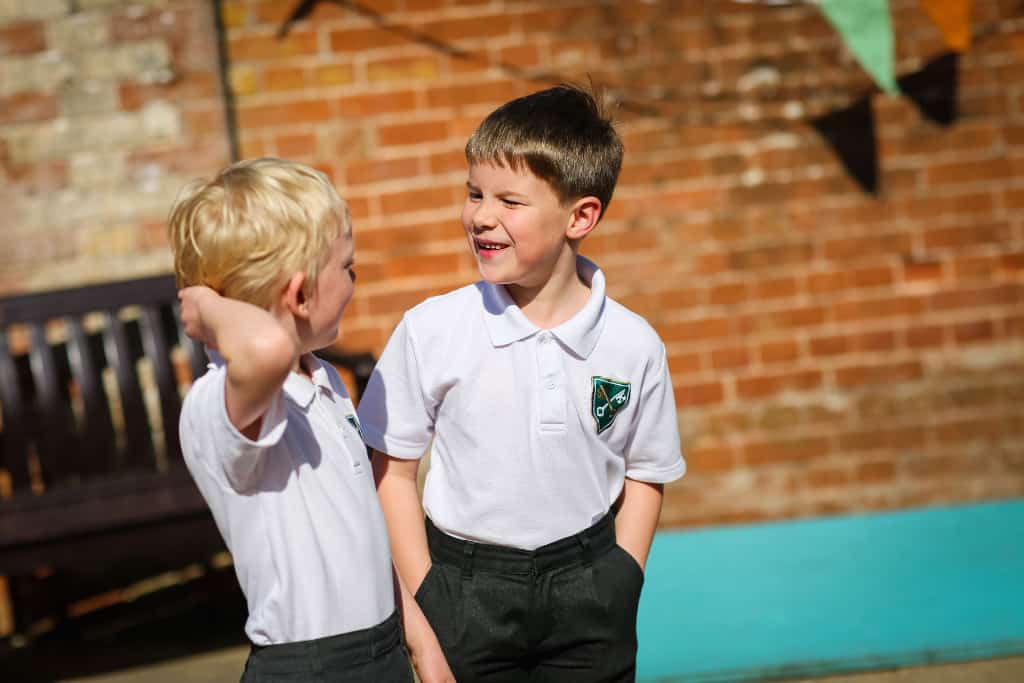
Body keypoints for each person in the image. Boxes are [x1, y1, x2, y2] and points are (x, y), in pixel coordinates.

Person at [357, 84, 687, 682]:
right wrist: (424, 608)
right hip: (462, 590)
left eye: (510, 201)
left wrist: (622, 578)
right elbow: (391, 471)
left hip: (589, 587)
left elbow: (648, 468)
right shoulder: (432, 329)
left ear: (581, 216)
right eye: (474, 193)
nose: (481, 216)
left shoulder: (634, 343)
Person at [167, 158, 451, 683]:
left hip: (381, 647)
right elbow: (268, 347)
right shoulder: (216, 407)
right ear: (299, 295)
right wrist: (206, 311)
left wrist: (419, 640)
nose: (355, 279)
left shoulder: (321, 382)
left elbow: (359, 534)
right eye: (347, 267)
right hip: (312, 668)